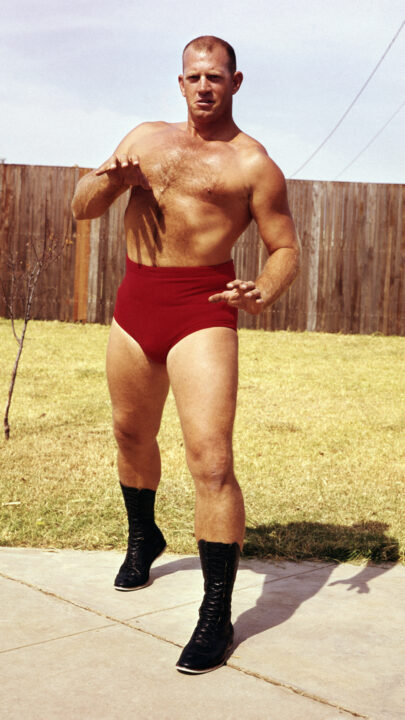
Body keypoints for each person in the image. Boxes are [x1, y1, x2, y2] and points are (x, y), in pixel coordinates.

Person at [71, 35, 300, 674]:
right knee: (130, 433)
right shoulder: (144, 139)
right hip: (135, 301)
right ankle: (143, 535)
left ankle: (216, 611)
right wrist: (106, 181)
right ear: (180, 83)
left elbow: (286, 247)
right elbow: (81, 209)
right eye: (194, 76)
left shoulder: (253, 164)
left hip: (203, 307)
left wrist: (264, 288)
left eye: (216, 77)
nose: (204, 86)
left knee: (211, 459)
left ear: (236, 82)